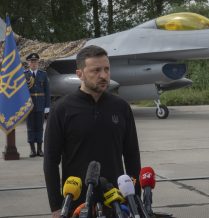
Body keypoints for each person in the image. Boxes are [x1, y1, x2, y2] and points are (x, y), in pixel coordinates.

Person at [43, 45, 141, 217]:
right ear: (79, 74)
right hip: (75, 204)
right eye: (96, 70)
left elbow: (132, 156)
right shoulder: (61, 109)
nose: (103, 75)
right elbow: (50, 161)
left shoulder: (121, 107)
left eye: (106, 69)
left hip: (116, 202)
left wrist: (135, 199)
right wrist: (56, 206)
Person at [25, 53, 50, 157]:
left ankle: (40, 149)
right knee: (30, 127)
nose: (33, 63)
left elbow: (47, 91)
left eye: (35, 61)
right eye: (31, 62)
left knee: (40, 127)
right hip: (28, 105)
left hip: (40, 103)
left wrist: (47, 106)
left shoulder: (43, 74)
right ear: (28, 63)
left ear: (38, 62)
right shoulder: (24, 74)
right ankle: (32, 150)